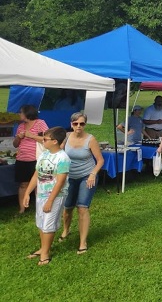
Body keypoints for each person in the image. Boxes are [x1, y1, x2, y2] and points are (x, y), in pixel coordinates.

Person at [23, 126, 69, 266]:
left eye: (45, 139)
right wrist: (27, 193)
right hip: (41, 194)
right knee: (41, 222)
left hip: (55, 196)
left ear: (55, 141)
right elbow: (37, 174)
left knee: (48, 224)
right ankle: (43, 247)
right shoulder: (44, 154)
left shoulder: (63, 158)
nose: (42, 140)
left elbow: (60, 182)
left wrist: (50, 201)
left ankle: (45, 254)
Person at [60, 112, 104, 255]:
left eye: (82, 123)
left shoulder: (90, 139)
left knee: (82, 208)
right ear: (71, 124)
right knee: (67, 208)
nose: (78, 126)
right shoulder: (66, 137)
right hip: (69, 177)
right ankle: (66, 230)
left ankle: (82, 242)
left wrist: (93, 174)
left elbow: (100, 160)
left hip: (87, 176)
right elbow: (57, 152)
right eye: (75, 123)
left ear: (85, 124)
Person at [13, 104, 49, 215]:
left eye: (21, 112)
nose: (19, 114)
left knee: (37, 185)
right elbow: (15, 145)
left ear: (27, 113)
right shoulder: (21, 126)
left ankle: (40, 209)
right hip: (21, 159)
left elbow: (47, 139)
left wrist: (31, 135)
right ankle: (22, 209)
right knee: (23, 184)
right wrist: (18, 138)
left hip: (36, 159)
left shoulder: (40, 123)